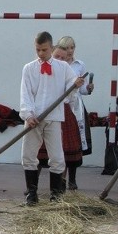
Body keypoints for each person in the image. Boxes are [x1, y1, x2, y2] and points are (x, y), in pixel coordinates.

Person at [20, 31, 85, 206]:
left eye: (44, 49)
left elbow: (71, 89)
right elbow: (25, 94)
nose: (41, 53)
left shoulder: (63, 68)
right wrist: (28, 115)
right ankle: (31, 194)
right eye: (38, 50)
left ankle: (56, 195)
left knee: (57, 157)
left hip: (54, 117)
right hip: (34, 119)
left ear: (51, 47)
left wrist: (76, 85)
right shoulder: (29, 68)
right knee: (28, 156)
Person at [55, 36, 94, 190]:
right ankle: (60, 179)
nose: (70, 51)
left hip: (76, 107)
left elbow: (82, 90)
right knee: (63, 144)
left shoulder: (80, 65)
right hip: (62, 106)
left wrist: (88, 88)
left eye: (72, 47)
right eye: (67, 48)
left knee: (75, 144)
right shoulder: (58, 65)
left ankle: (72, 179)